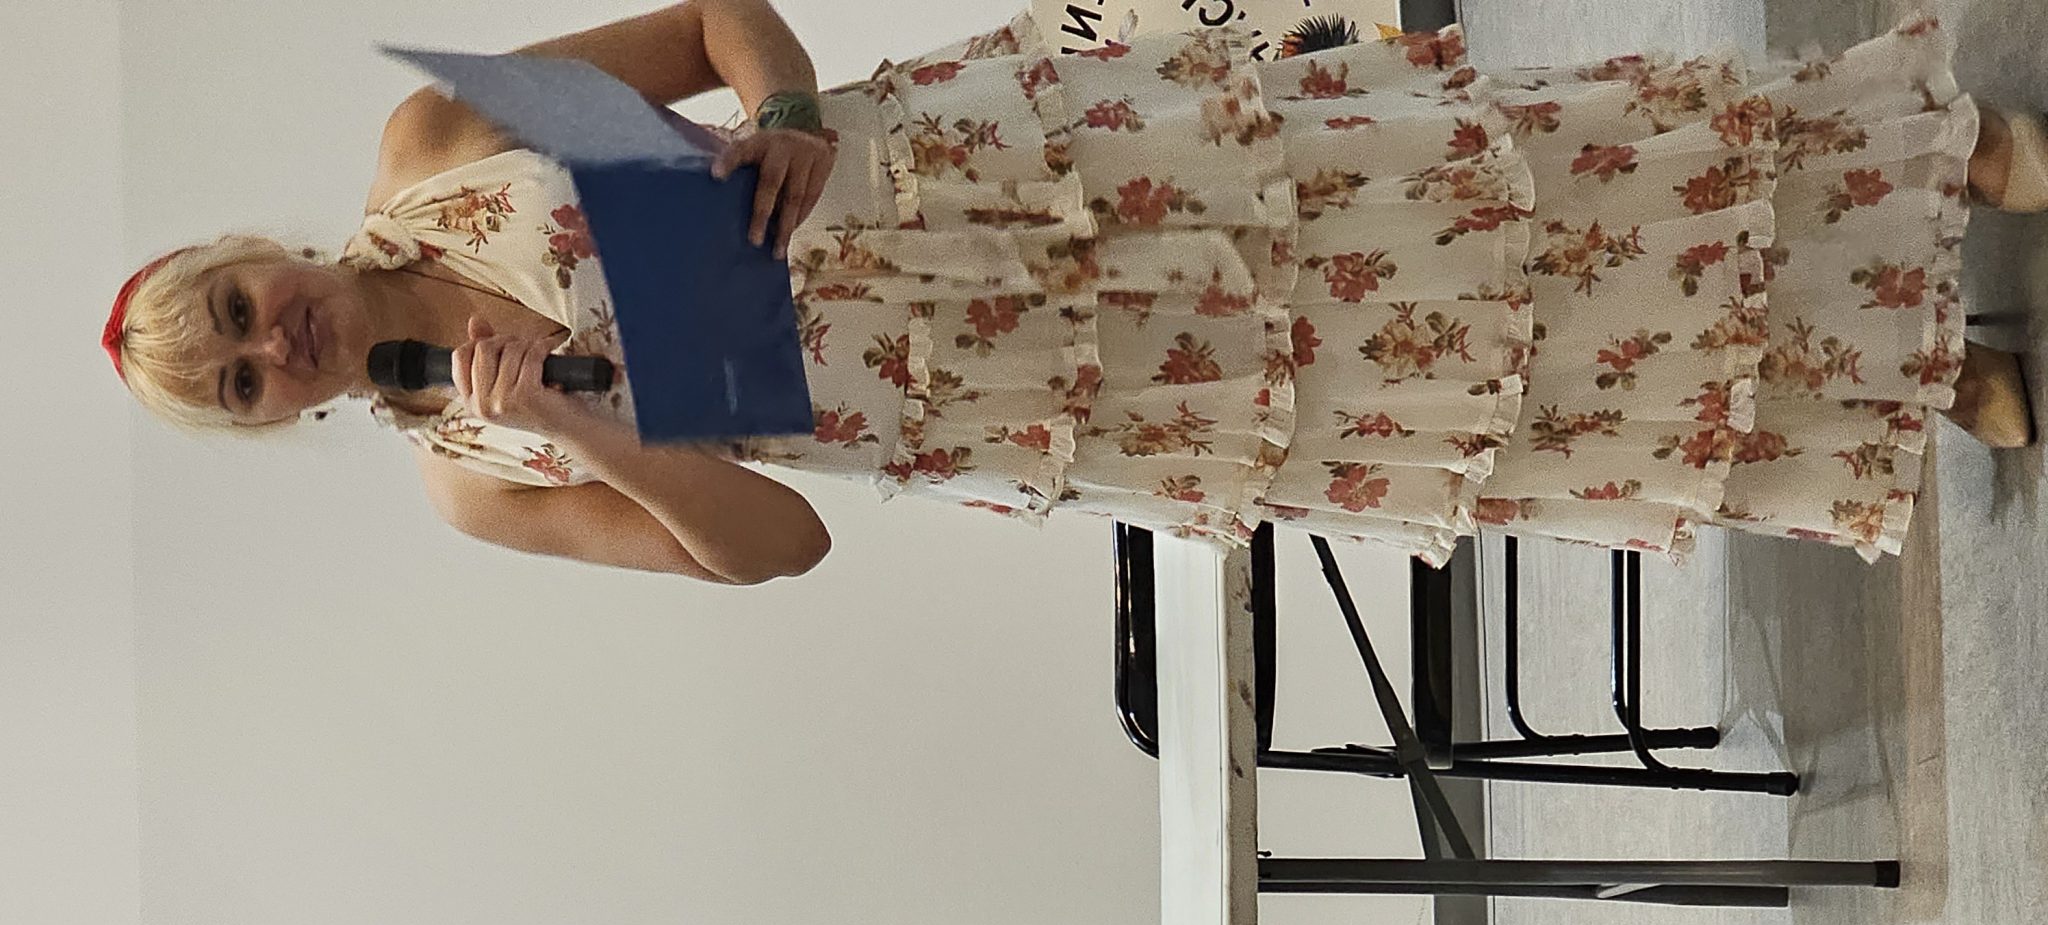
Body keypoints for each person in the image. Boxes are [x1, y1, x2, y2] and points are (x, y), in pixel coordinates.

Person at [106, 6, 2044, 583]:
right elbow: (773, 549)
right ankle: (1902, 375)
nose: (273, 341)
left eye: (238, 308)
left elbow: (708, 20)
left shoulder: (438, 137)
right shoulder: (470, 479)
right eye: (245, 380)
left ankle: (1908, 155)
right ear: (274, 423)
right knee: (1448, 365)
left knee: (1448, 187)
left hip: (1001, 175)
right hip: (1024, 389)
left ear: (248, 253)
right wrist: (582, 433)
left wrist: (782, 111)